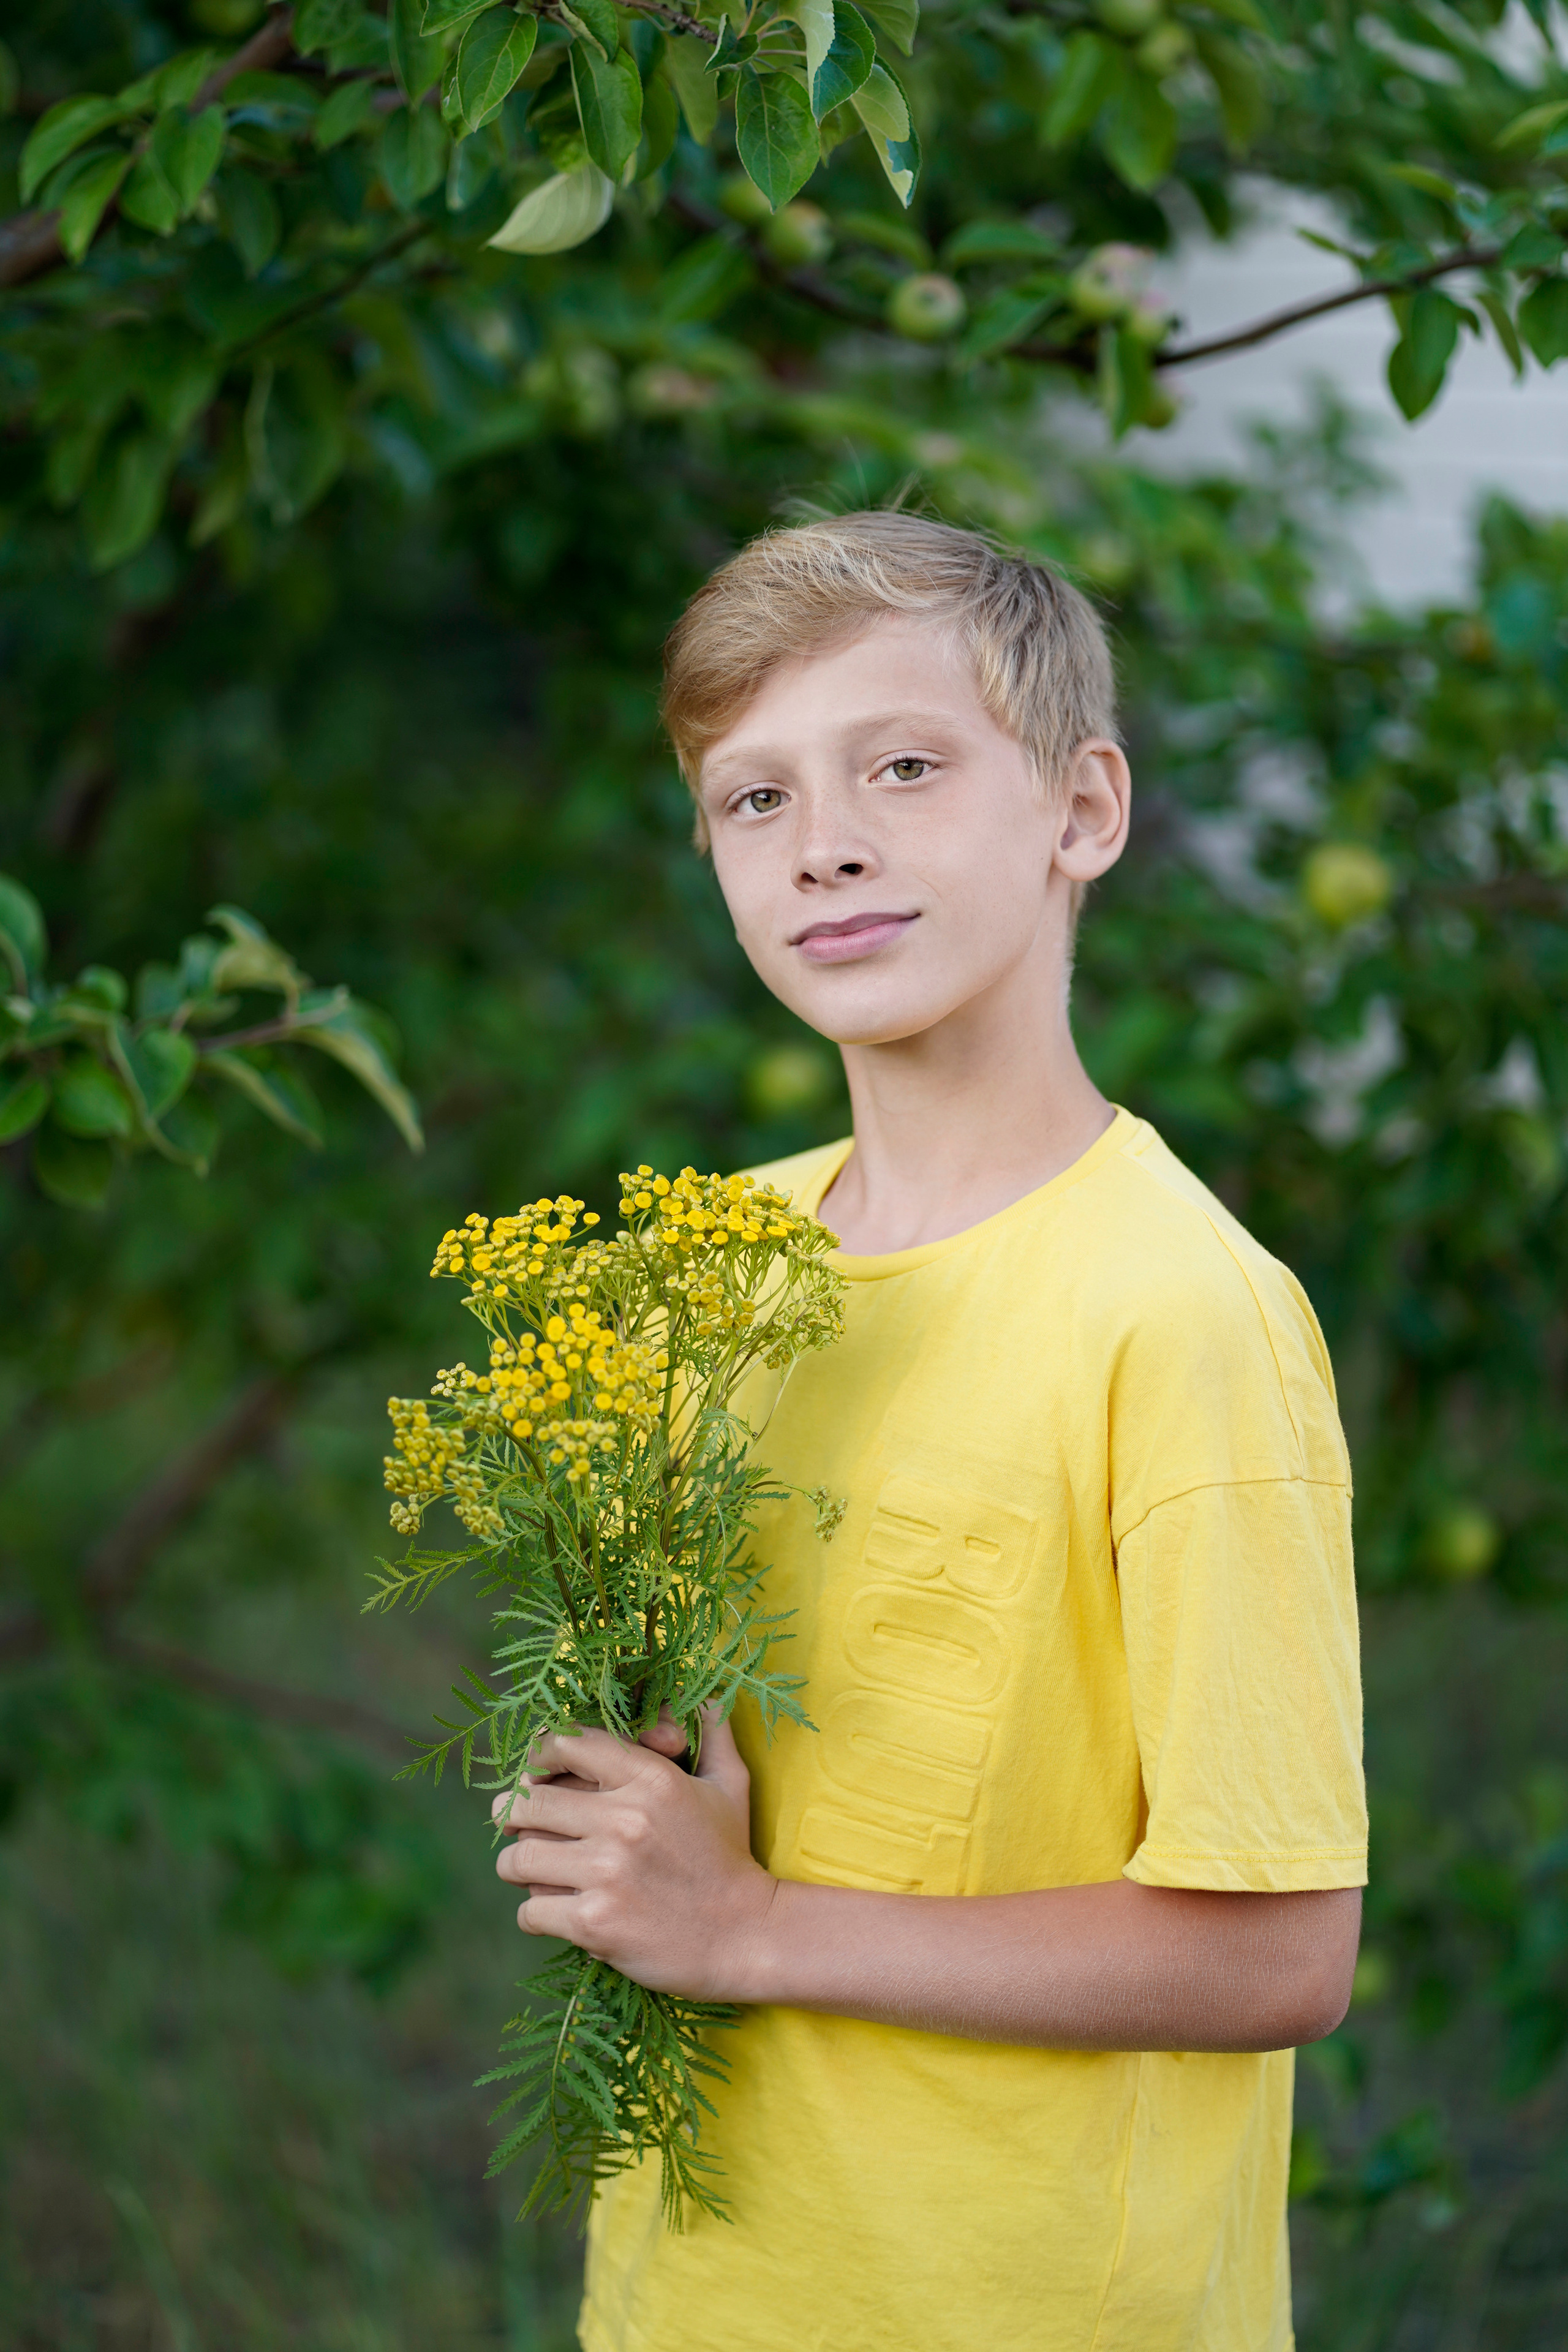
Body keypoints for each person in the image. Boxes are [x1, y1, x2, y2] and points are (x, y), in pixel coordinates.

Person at [493, 511, 1368, 2352]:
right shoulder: (690, 1275)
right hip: (692, 2295)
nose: (829, 844)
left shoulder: (1182, 1316)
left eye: (904, 765)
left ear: (1083, 812)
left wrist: (745, 1931)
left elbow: (1284, 1950)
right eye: (754, 799)